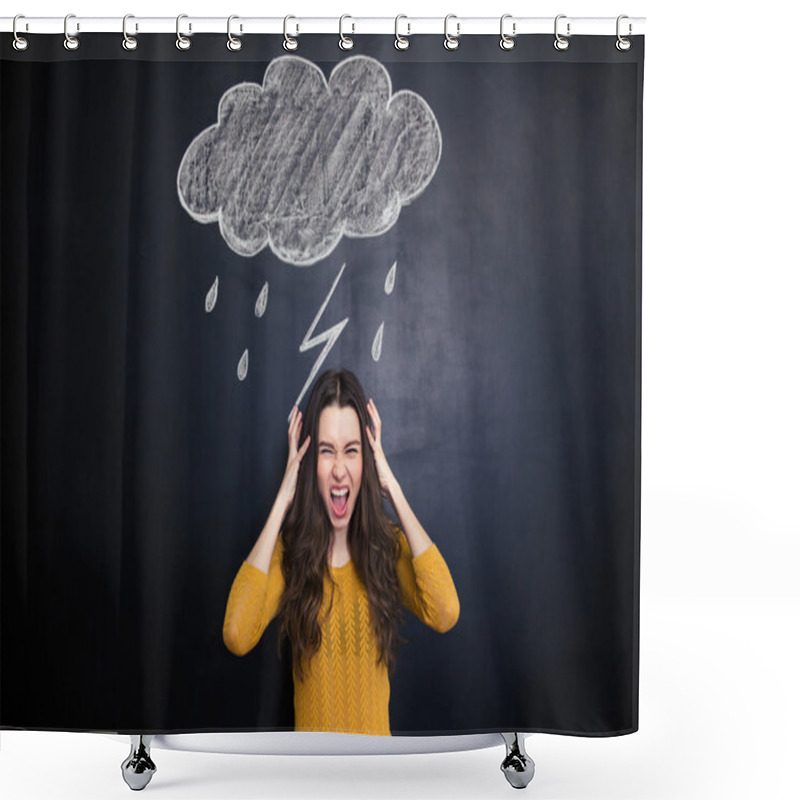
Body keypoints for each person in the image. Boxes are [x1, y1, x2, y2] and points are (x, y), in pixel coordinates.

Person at [222, 368, 459, 736]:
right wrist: (284, 498)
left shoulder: (387, 548)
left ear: (367, 459)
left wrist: (391, 485)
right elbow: (236, 634)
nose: (338, 470)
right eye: (325, 451)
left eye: (351, 451)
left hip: (378, 783)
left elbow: (445, 611)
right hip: (313, 785)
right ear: (307, 461)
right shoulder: (291, 555)